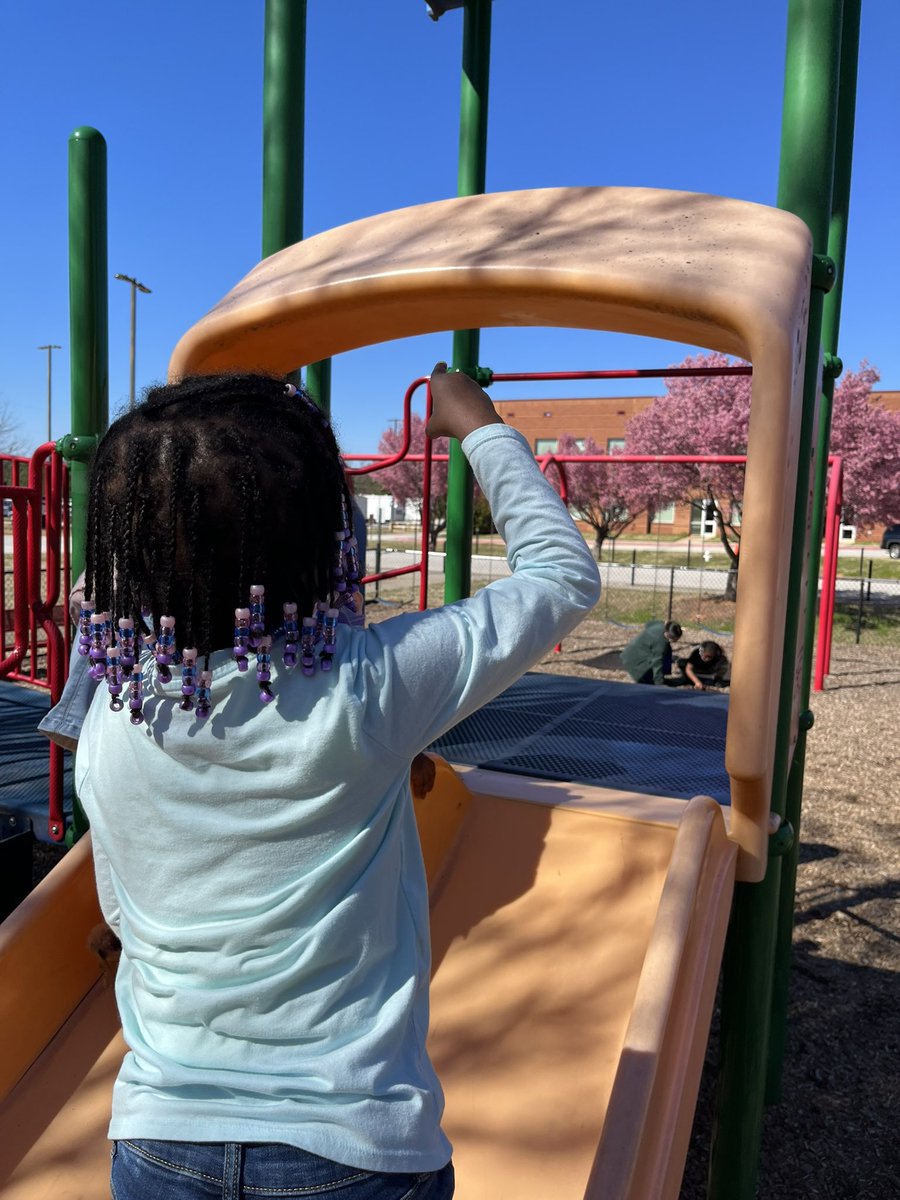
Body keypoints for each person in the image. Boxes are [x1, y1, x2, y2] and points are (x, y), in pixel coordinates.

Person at [71, 366, 600, 1200]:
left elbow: (120, 903)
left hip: (162, 1139)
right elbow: (560, 579)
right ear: (328, 542)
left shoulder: (111, 716)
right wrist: (482, 429)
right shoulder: (367, 690)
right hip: (353, 1149)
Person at [620, 619, 682, 686]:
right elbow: (657, 663)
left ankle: (660, 676)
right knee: (648, 684)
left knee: (667, 649)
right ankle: (652, 679)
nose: (676, 641)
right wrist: (659, 683)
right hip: (635, 661)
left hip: (631, 652)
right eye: (675, 640)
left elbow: (648, 624)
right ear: (667, 634)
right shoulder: (660, 642)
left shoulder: (661, 625)